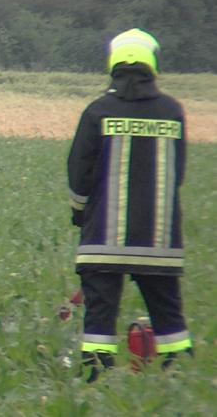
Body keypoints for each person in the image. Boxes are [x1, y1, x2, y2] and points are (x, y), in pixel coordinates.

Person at [67, 28, 192, 382]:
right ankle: (178, 375)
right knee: (169, 316)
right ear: (153, 63)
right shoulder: (172, 112)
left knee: (99, 319)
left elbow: (79, 172)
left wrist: (80, 212)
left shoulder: (98, 112)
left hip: (102, 242)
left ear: (113, 63)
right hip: (159, 244)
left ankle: (98, 378)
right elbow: (178, 172)